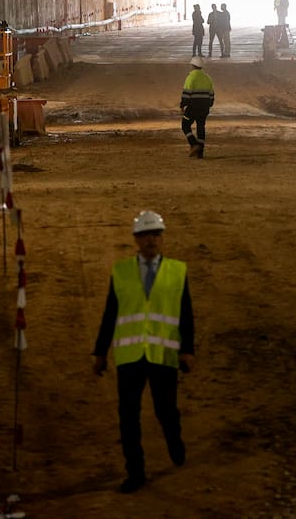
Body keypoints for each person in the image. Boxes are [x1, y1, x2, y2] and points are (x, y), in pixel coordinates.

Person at [93, 210, 196, 494]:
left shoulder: (178, 271)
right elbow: (110, 313)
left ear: (162, 238)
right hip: (130, 357)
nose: (151, 240)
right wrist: (100, 352)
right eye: (145, 235)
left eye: (156, 234)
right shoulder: (121, 272)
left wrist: (187, 350)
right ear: (136, 239)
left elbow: (186, 314)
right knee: (128, 417)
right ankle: (135, 472)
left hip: (163, 354)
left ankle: (174, 441)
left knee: (166, 411)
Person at [181, 56, 215, 158]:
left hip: (193, 107)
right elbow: (211, 95)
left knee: (185, 125)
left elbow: (186, 94)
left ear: (192, 65)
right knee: (201, 127)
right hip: (204, 108)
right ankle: (200, 153)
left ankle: (193, 144)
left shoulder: (191, 77)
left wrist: (182, 105)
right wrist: (208, 105)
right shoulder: (207, 78)